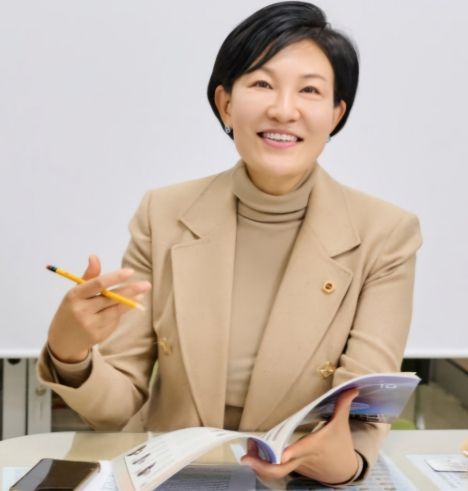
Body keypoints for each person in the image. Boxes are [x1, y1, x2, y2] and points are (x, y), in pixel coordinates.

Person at [37, 1, 422, 486]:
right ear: (225, 103)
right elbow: (119, 408)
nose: (284, 109)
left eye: (310, 90)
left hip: (300, 482)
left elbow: (362, 414)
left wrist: (342, 464)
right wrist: (71, 353)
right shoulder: (164, 214)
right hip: (177, 478)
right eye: (262, 84)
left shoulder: (386, 234)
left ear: (335, 113)